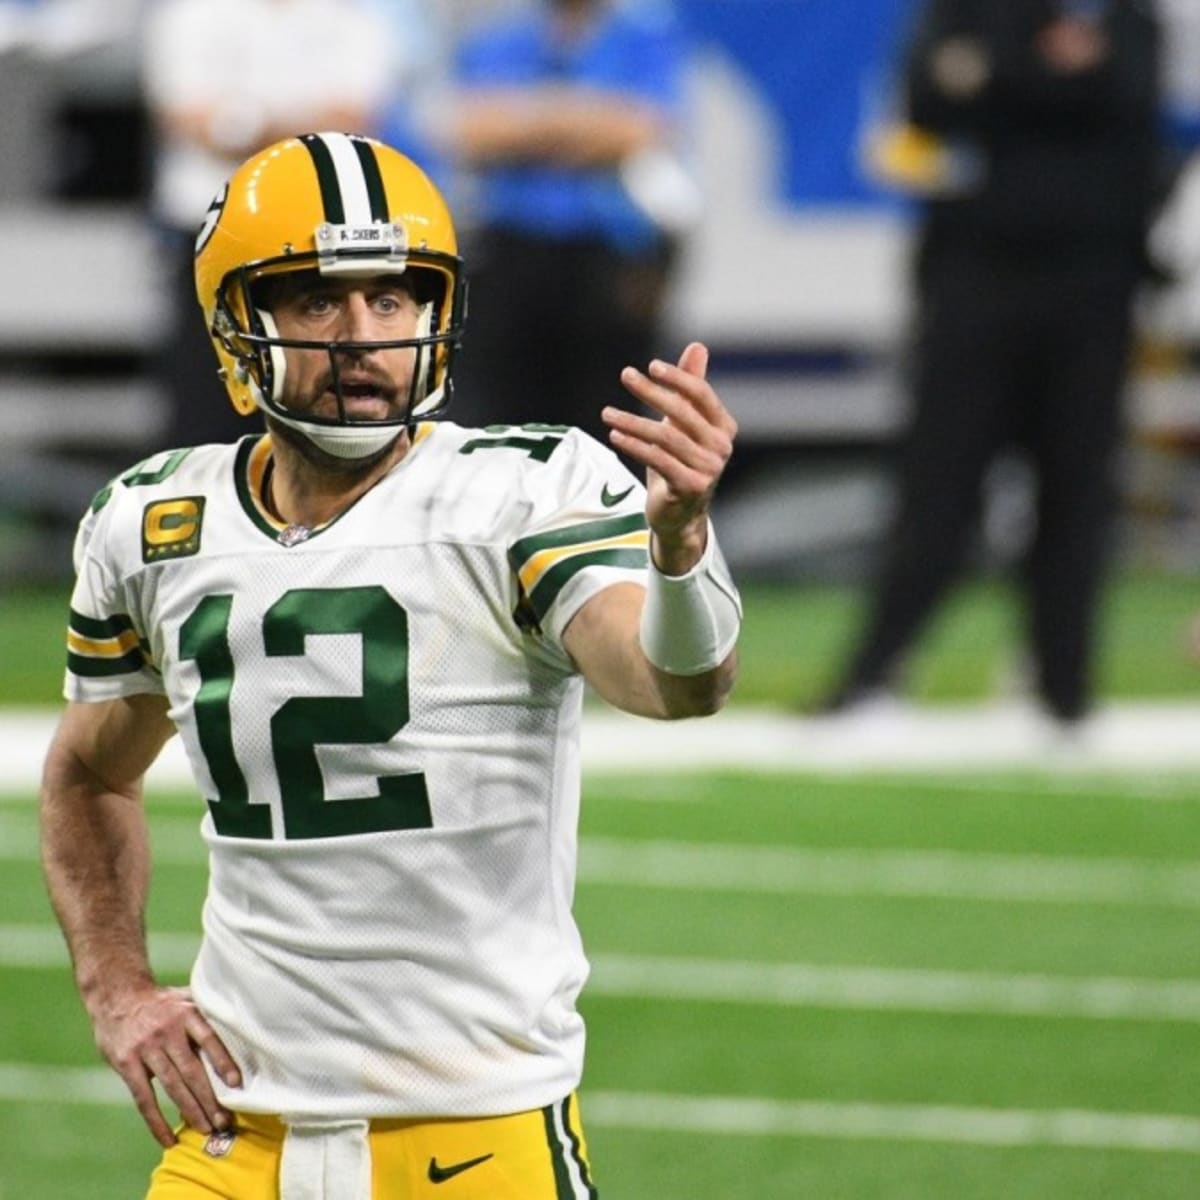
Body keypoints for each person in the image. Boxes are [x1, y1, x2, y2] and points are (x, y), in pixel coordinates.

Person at [39, 132, 740, 1199]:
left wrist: (682, 552)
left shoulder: (522, 493)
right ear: (240, 321)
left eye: (397, 297)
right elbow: (90, 772)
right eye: (318, 301)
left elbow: (676, 684)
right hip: (237, 1141)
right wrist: (118, 989)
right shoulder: (152, 522)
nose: (364, 336)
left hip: (475, 1136)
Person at [827, 0, 1163, 726]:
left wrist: (992, 77)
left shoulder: (1124, 18)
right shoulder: (963, 12)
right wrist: (1048, 70)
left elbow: (1127, 98)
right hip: (974, 287)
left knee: (1076, 489)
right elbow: (924, 101)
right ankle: (873, 675)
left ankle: (1063, 689)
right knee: (939, 486)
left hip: (1092, 290)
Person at [141, 0, 402, 447]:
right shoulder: (189, 15)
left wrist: (240, 122)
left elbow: (352, 121)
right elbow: (186, 119)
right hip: (209, 239)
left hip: (317, 241)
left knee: (319, 396)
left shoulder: (353, 20)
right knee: (206, 404)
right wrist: (302, 130)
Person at [442, 0, 699, 449]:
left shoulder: (645, 36)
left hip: (608, 255)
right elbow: (470, 130)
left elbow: (644, 130)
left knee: (607, 427)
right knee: (496, 427)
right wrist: (591, 123)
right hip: (509, 257)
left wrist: (529, 123)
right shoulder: (500, 38)